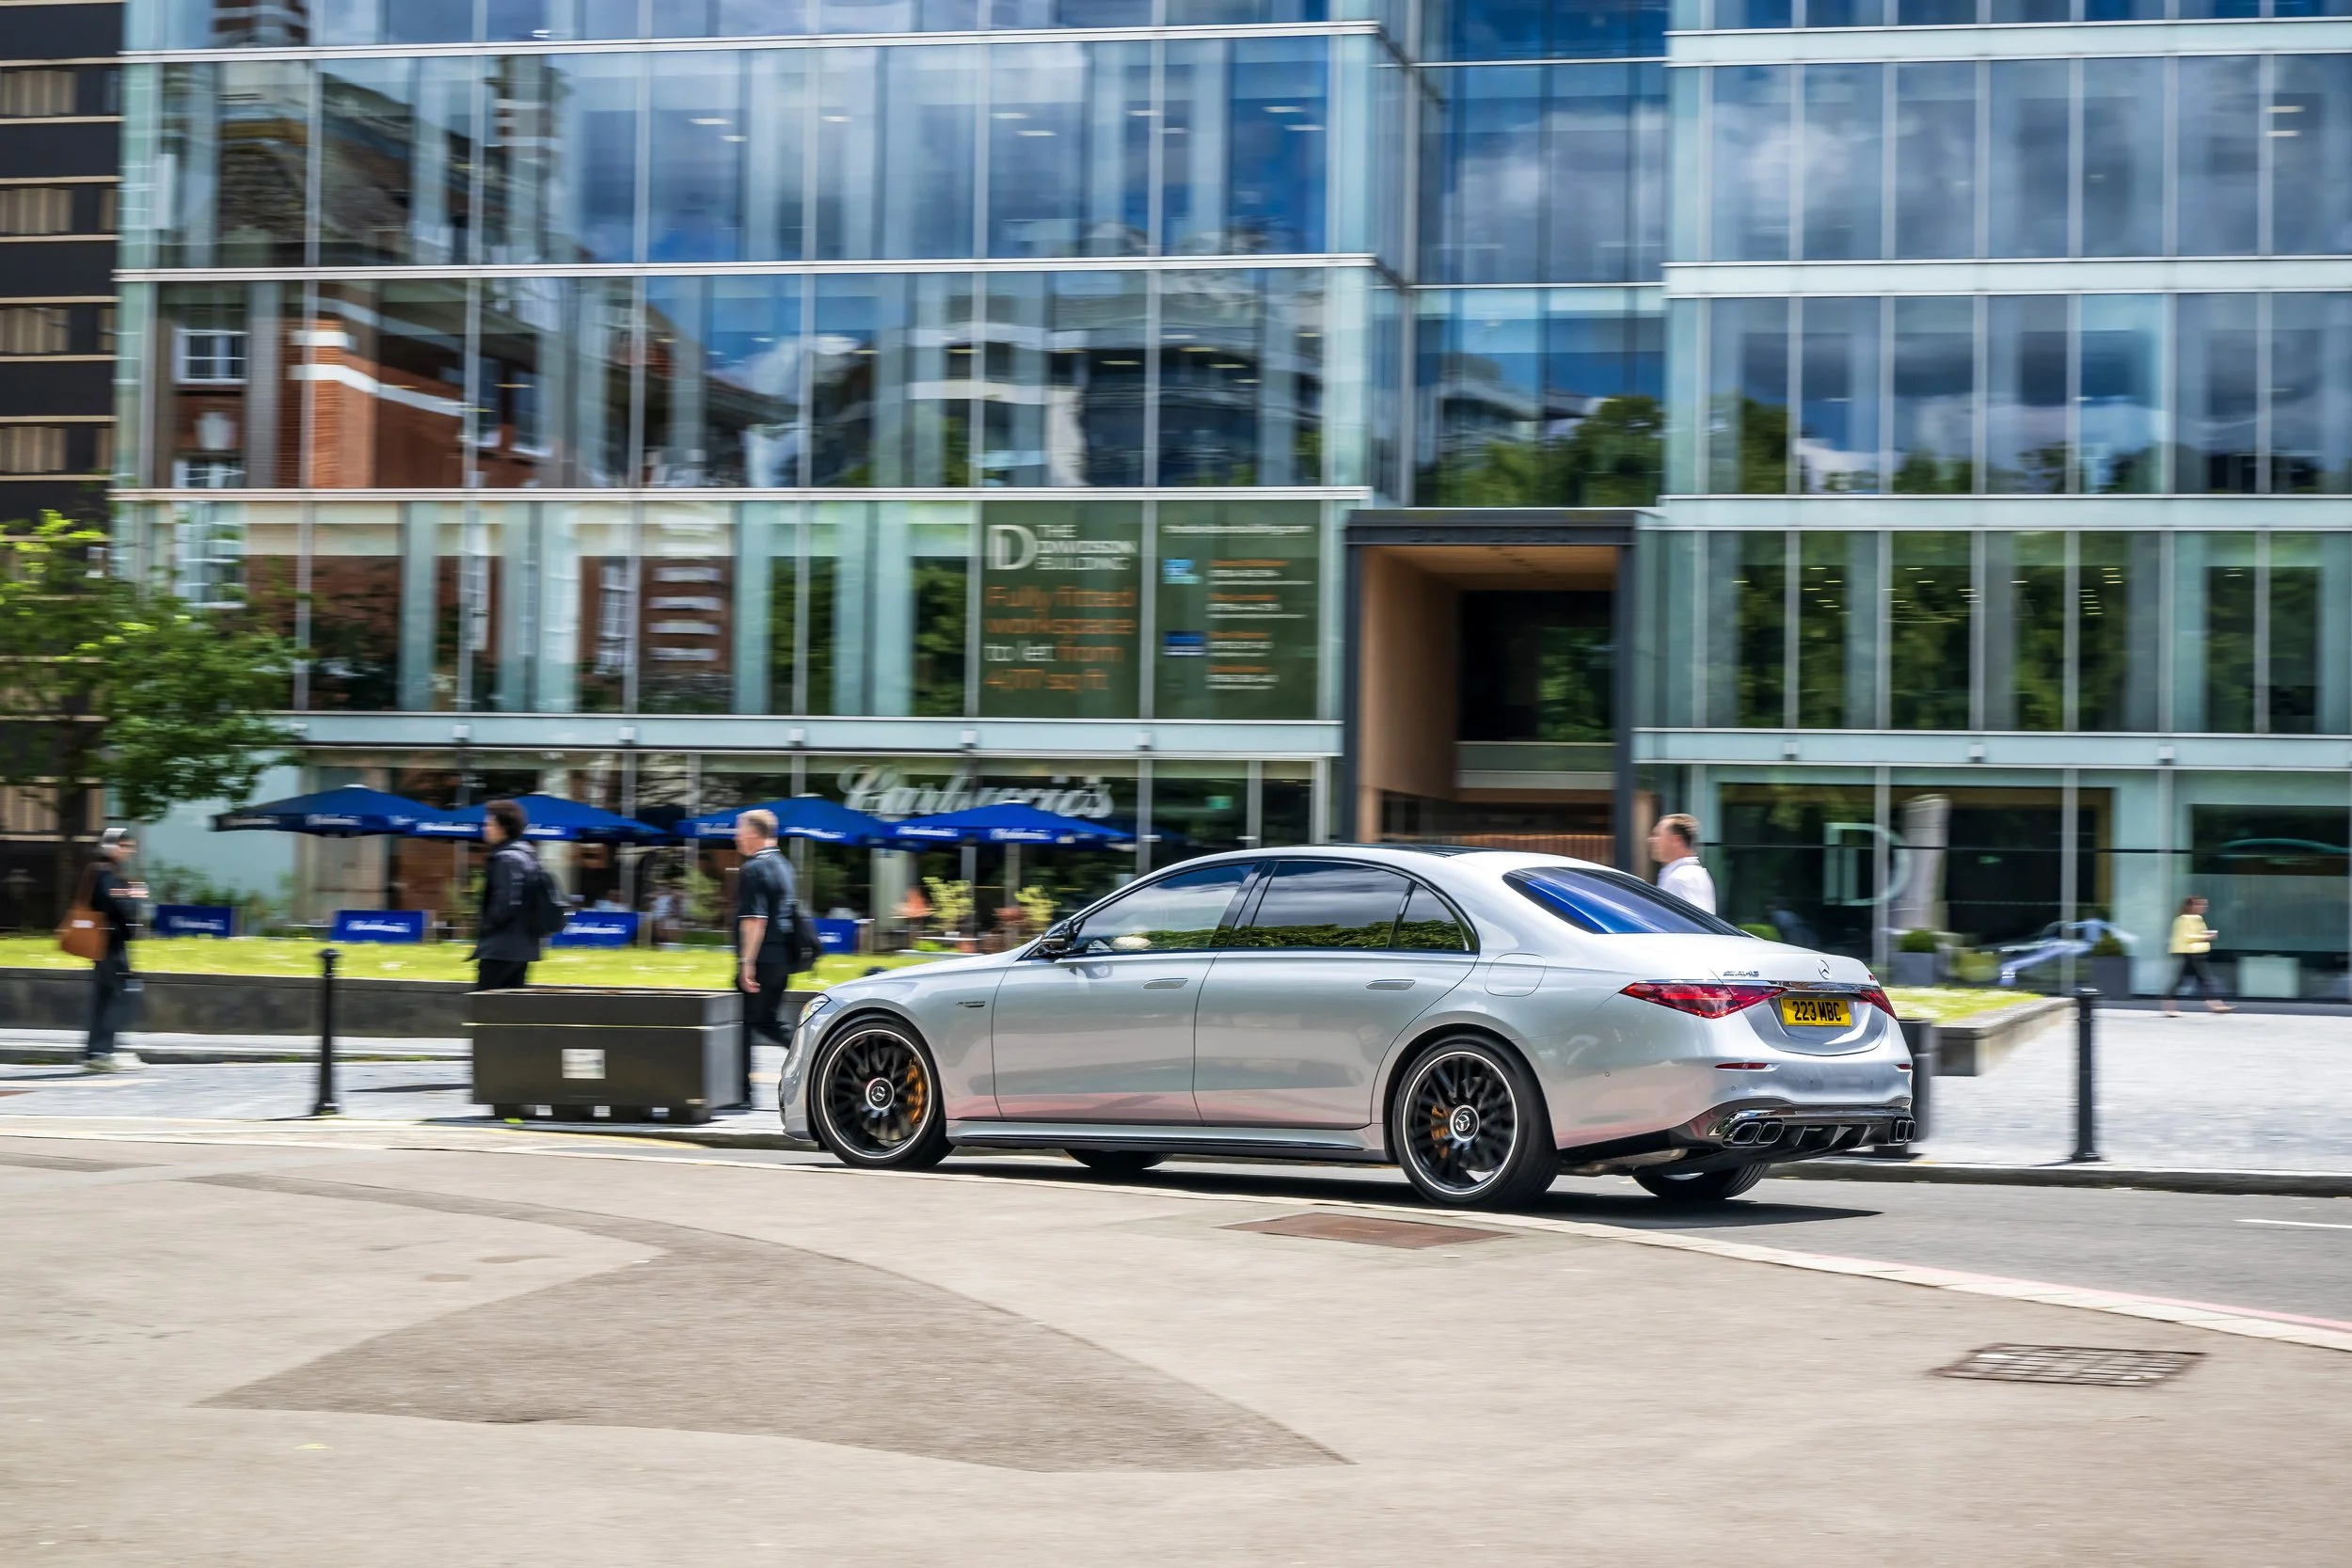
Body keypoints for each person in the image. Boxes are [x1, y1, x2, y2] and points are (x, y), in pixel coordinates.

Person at [734, 809, 801, 1099]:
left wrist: (746, 963)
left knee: (742, 1024)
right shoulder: (784, 866)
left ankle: (741, 1091)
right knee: (768, 1022)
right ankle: (812, 1055)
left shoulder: (754, 868)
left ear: (753, 833)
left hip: (760, 959)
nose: (736, 836)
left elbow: (755, 919)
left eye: (739, 830)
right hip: (782, 959)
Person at [82, 827, 147, 1072]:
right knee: (127, 991)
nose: (128, 852)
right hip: (109, 944)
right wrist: (132, 896)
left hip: (104, 945)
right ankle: (103, 1051)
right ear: (111, 846)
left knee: (104, 998)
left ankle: (96, 1053)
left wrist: (130, 892)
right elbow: (112, 903)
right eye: (125, 846)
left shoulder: (106, 872)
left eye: (130, 847)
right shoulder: (104, 872)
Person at [473, 799, 543, 991]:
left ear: (503, 827)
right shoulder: (527, 854)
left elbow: (507, 901)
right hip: (523, 946)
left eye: (489, 824)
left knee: (484, 1007)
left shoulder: (506, 858)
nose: (485, 829)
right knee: (511, 1010)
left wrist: (488, 925)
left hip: (501, 948)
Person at [2165, 895, 2233, 1016]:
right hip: (2190, 952)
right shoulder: (2183, 919)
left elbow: (2197, 933)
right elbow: (2186, 936)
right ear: (2191, 906)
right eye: (2200, 904)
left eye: (2204, 904)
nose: (2203, 907)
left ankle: (2169, 1007)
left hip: (2197, 952)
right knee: (2204, 979)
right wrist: (2206, 937)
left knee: (2192, 980)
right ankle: (2216, 1005)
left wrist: (2205, 935)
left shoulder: (2197, 919)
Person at [1648, 813, 1717, 915]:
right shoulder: (1685, 874)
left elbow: (1691, 926)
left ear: (1676, 840)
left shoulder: (1683, 878)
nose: (1651, 840)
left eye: (1658, 835)